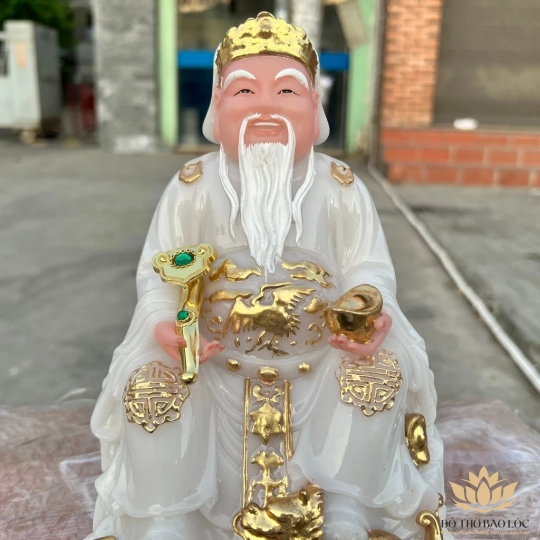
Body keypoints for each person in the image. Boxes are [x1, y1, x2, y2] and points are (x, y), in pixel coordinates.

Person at [86, 13, 448, 540]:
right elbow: (159, 273)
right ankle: (170, 516)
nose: (265, 106)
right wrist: (166, 325)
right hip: (213, 359)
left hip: (323, 356)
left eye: (286, 90)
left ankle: (346, 508)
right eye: (244, 91)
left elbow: (368, 268)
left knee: (380, 373)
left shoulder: (342, 187)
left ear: (315, 107)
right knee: (150, 383)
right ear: (217, 106)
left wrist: (369, 313)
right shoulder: (192, 187)